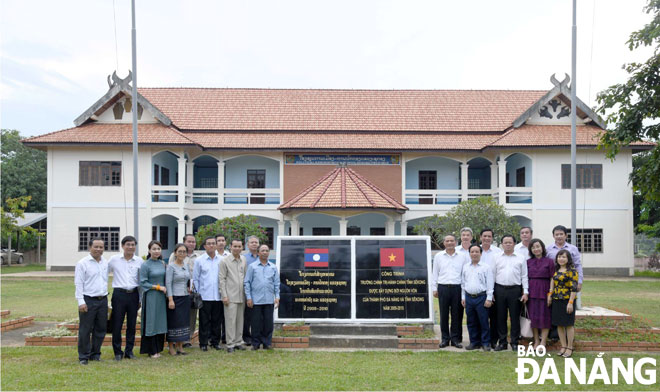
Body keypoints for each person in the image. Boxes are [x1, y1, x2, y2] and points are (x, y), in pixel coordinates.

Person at [107, 235, 142, 361]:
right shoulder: (114, 259)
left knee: (131, 325)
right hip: (119, 294)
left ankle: (129, 351)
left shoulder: (139, 261)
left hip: (133, 294)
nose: (130, 247)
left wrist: (140, 299)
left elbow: (141, 281)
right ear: (122, 246)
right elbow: (103, 272)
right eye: (128, 244)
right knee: (117, 324)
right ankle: (117, 352)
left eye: (133, 245)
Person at [74, 237, 109, 365]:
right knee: (85, 329)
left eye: (101, 247)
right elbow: (78, 283)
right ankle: (83, 356)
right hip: (88, 300)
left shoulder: (105, 262)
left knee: (100, 329)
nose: (98, 249)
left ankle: (95, 354)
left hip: (102, 300)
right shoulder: (83, 263)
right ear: (90, 248)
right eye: (96, 247)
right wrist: (80, 301)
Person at [493, 235, 529, 351]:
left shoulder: (521, 257)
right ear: (502, 244)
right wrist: (491, 292)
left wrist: (526, 292)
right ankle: (502, 342)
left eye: (510, 242)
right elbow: (492, 275)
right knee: (501, 317)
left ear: (514, 243)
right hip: (499, 289)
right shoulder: (496, 257)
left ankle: (514, 342)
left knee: (515, 317)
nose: (508, 244)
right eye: (505, 242)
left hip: (515, 290)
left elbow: (524, 276)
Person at [431, 234, 468, 348]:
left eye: (452, 241)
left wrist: (464, 292)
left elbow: (465, 274)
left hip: (457, 288)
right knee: (444, 315)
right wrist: (434, 288)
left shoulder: (462, 256)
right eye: (447, 241)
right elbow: (435, 272)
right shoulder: (438, 256)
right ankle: (445, 339)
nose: (450, 243)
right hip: (443, 287)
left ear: (455, 242)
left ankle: (455, 339)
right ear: (444, 243)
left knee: (457, 315)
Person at [244, 244, 280, 350]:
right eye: (262, 250)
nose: (265, 252)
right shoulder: (252, 267)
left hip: (269, 300)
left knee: (268, 323)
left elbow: (276, 283)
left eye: (266, 250)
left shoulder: (273, 267)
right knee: (255, 323)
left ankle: (266, 343)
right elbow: (247, 283)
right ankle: (255, 343)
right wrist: (249, 298)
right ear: (258, 253)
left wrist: (277, 297)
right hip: (256, 300)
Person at [461, 244, 494, 351]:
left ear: (481, 253)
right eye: (472, 252)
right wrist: (463, 297)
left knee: (483, 321)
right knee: (471, 321)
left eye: (477, 252)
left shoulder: (486, 267)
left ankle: (485, 343)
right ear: (469, 253)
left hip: (481, 297)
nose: (474, 254)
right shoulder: (465, 267)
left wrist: (489, 298)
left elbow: (490, 284)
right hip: (469, 298)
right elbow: (463, 283)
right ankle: (474, 342)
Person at [192, 237, 223, 351]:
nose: (211, 245)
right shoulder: (199, 260)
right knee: (204, 321)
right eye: (208, 244)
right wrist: (198, 294)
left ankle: (215, 342)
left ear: (216, 245)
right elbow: (196, 278)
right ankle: (203, 343)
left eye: (213, 243)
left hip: (218, 296)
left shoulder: (222, 260)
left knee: (217, 321)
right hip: (204, 296)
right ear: (204, 246)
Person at [139, 240, 168, 358]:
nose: (156, 251)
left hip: (162, 297)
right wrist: (157, 287)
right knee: (152, 321)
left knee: (160, 321)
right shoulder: (145, 265)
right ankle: (151, 350)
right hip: (151, 295)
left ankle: (158, 348)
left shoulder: (162, 263)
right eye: (154, 249)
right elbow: (143, 282)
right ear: (149, 250)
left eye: (158, 249)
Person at [547, 249, 579, 358]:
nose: (561, 259)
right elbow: (553, 281)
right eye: (559, 257)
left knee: (568, 324)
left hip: (567, 300)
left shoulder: (572, 271)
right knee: (559, 324)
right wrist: (550, 295)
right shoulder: (556, 269)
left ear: (568, 259)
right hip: (557, 299)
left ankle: (570, 347)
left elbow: (574, 288)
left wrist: (570, 302)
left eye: (564, 257)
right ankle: (563, 346)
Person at [170, 234, 198, 348]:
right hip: (178, 291)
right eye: (189, 241)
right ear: (184, 242)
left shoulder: (198, 256)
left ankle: (188, 338)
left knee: (191, 315)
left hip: (192, 291)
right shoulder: (175, 255)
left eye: (193, 242)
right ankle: (175, 339)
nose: (191, 244)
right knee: (178, 316)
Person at [526, 238, 554, 349]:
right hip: (532, 291)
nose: (536, 249)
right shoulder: (528, 262)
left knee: (545, 316)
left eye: (538, 246)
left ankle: (543, 342)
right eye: (533, 247)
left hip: (545, 290)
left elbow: (552, 277)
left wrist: (550, 293)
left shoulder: (549, 261)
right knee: (533, 317)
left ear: (542, 247)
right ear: (531, 250)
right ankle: (536, 340)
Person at [220, 239, 248, 353]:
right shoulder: (224, 261)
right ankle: (230, 343)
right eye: (235, 246)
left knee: (240, 320)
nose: (237, 248)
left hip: (242, 295)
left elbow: (245, 277)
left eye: (239, 246)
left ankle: (238, 341)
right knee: (230, 320)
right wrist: (224, 295)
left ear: (242, 247)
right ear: (230, 247)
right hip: (230, 296)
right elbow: (222, 279)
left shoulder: (243, 260)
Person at [546, 225, 583, 307]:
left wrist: (579, 282)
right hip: (554, 281)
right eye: (557, 234)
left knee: (569, 307)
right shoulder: (548, 249)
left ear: (566, 235)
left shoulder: (573, 248)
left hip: (568, 282)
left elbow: (578, 265)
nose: (559, 236)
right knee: (554, 306)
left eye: (561, 234)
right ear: (553, 236)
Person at [166, 243, 192, 356]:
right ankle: (171, 346)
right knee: (174, 323)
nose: (182, 253)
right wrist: (170, 300)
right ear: (175, 253)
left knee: (183, 322)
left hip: (185, 297)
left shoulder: (186, 265)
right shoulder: (171, 266)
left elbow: (187, 279)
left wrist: (189, 287)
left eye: (184, 251)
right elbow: (168, 283)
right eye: (179, 251)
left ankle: (180, 346)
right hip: (175, 298)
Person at [479, 228, 502, 349]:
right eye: (485, 236)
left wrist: (492, 291)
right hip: (479, 289)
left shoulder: (498, 252)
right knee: (480, 317)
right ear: (480, 237)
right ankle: (480, 340)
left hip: (494, 288)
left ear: (492, 238)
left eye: (489, 236)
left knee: (494, 317)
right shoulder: (476, 250)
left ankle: (493, 340)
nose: (487, 238)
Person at [242, 235, 260, 346]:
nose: (254, 244)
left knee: (258, 315)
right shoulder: (244, 258)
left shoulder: (262, 256)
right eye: (252, 242)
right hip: (248, 290)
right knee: (247, 315)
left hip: (259, 290)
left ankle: (257, 336)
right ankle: (246, 336)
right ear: (248, 245)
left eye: (256, 242)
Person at [215, 234, 230, 344]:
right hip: (214, 291)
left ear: (225, 242)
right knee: (216, 316)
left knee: (226, 316)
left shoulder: (229, 256)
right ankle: (214, 338)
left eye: (222, 240)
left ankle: (225, 337)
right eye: (218, 240)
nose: (221, 242)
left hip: (227, 290)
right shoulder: (211, 255)